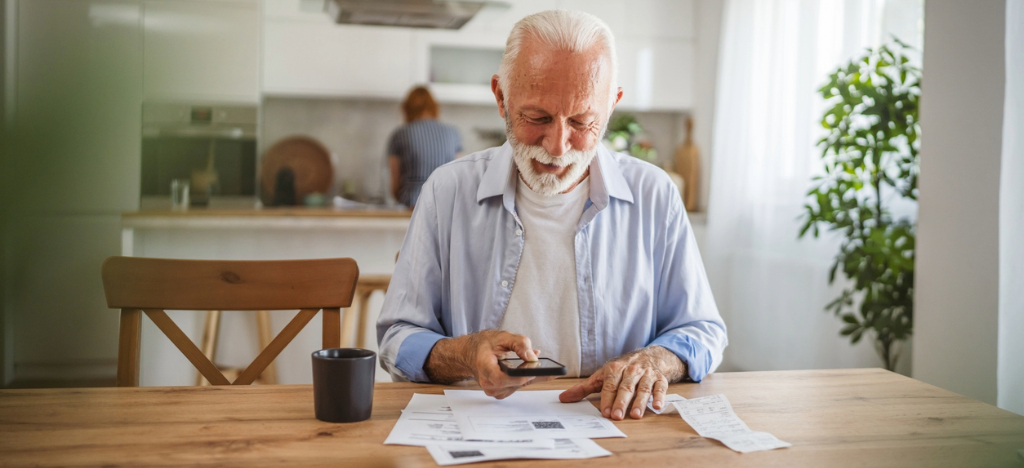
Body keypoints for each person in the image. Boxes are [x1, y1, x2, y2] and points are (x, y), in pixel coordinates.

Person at [377, 10, 727, 422]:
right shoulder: (446, 191)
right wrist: (465, 354)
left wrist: (655, 361)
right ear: (501, 98)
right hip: (474, 425)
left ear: (612, 104)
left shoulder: (656, 195)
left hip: (616, 428)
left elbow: (703, 331)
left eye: (582, 121)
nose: (558, 146)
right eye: (537, 118)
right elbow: (397, 338)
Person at [387, 86, 463, 208]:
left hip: (411, 204)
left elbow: (395, 184)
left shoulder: (400, 134)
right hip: (447, 203)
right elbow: (460, 176)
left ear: (407, 109)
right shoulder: (453, 133)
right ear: (434, 107)